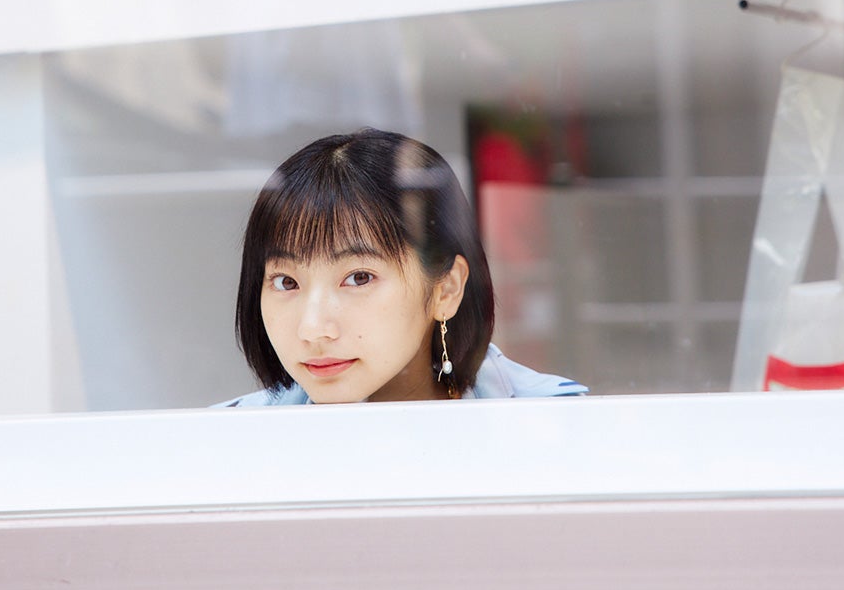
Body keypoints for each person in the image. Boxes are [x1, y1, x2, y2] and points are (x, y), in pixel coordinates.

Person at [218, 127, 586, 405]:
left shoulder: (557, 427)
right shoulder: (227, 444)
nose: (313, 329)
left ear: (446, 289)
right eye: (286, 282)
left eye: (358, 278)